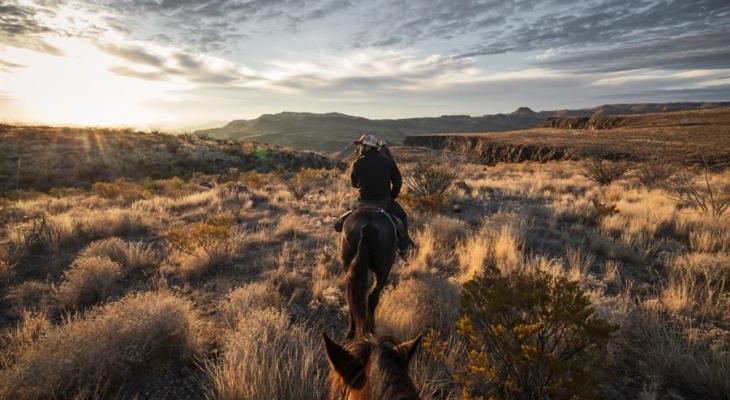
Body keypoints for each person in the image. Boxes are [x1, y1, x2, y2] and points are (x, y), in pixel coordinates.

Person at [350, 133, 412, 255]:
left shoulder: (356, 163)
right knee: (402, 217)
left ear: (366, 147)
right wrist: (392, 197)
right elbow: (398, 182)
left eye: (361, 145)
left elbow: (354, 184)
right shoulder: (388, 162)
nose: (359, 148)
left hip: (363, 201)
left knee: (349, 210)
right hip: (384, 202)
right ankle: (403, 246)